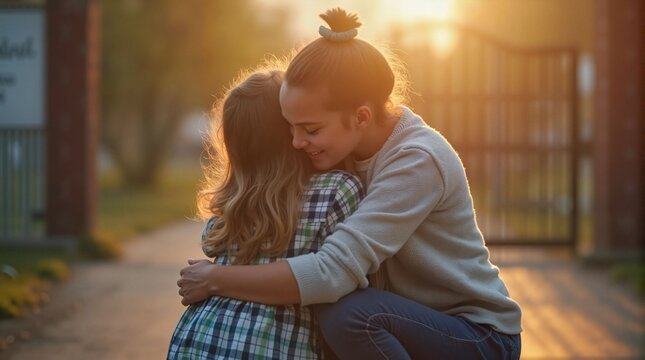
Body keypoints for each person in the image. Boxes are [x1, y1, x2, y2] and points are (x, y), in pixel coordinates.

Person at [177, 8, 522, 359]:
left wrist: (216, 279)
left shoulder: (418, 159)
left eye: (310, 130)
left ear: (361, 117)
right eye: (290, 128)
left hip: (477, 335)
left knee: (348, 314)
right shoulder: (345, 148)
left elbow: (331, 273)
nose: (296, 143)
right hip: (408, 321)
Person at [168, 68, 364, 359]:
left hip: (200, 339)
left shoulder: (231, 201)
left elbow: (211, 243)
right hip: (274, 347)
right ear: (291, 130)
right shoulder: (337, 190)